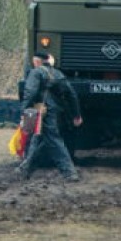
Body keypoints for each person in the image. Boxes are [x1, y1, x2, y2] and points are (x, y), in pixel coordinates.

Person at [18, 52, 83, 181]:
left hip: (38, 111)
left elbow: (30, 93)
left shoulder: (35, 73)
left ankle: (69, 172)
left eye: (34, 62)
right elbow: (71, 95)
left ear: (37, 62)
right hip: (53, 111)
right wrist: (76, 115)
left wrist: (24, 111)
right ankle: (25, 168)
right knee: (39, 139)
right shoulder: (58, 74)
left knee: (47, 139)